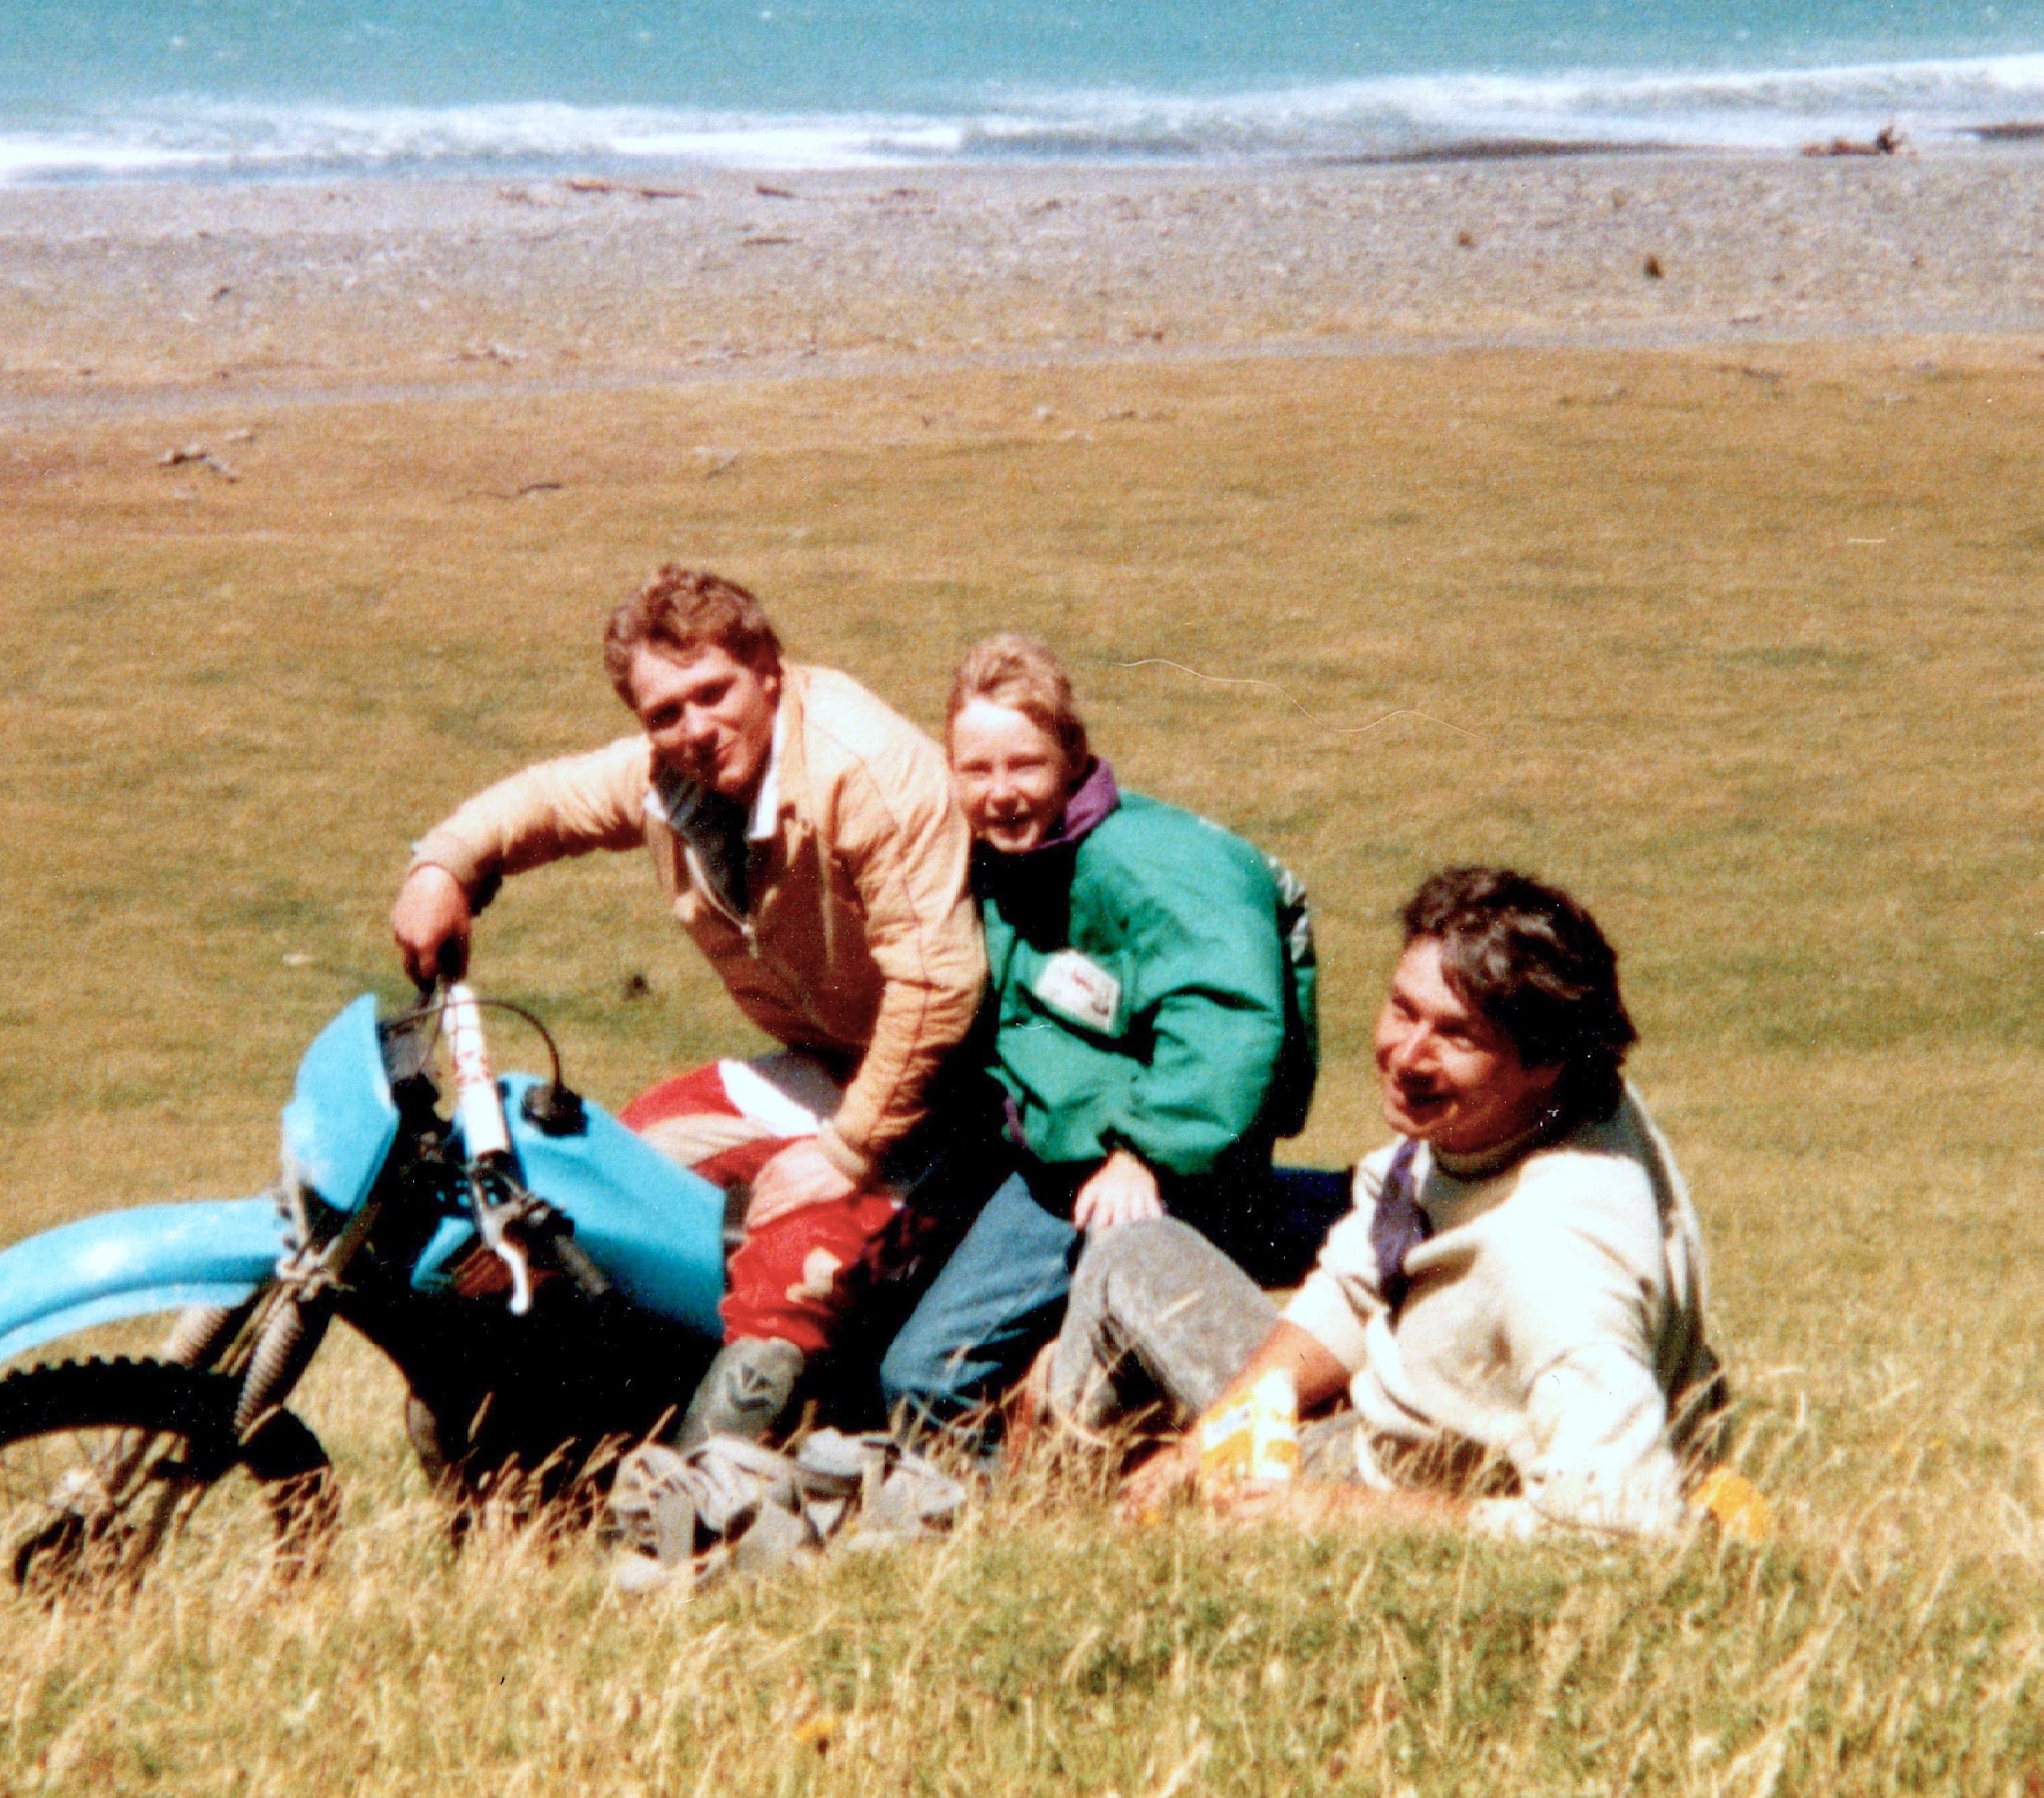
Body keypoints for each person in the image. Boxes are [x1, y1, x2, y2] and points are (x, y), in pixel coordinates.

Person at [393, 565, 984, 1448]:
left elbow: (939, 986)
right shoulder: (674, 774)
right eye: (664, 712)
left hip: (958, 1089)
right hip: (839, 1060)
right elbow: (552, 798)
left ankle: (708, 1488)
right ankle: (583, 1425)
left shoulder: (862, 772)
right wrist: (443, 865)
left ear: (768, 672)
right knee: (613, 1170)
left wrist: (848, 1150)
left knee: (793, 1256)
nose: (695, 729)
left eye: (713, 693)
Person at [1046, 867, 1728, 1539]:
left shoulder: (1558, 1260)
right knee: (1133, 1249)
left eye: (1456, 1034)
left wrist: (1328, 1511)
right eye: (1403, 1009)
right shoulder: (1518, 1109)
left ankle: (1054, 1530)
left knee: (1117, 1273)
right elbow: (1356, 1282)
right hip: (1398, 1409)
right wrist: (1208, 1441)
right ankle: (1064, 1508)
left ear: (1545, 1060)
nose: (1406, 1057)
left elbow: (1621, 1522)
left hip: (1410, 1485)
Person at [877, 634, 1327, 1439]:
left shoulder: (1156, 866)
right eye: (977, 771)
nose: (1001, 793)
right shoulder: (994, 864)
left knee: (944, 1377)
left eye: (1025, 765)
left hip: (1156, 1164)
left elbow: (1225, 1022)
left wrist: (1142, 1153)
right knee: (923, 1367)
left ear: (1074, 756)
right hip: (1056, 1161)